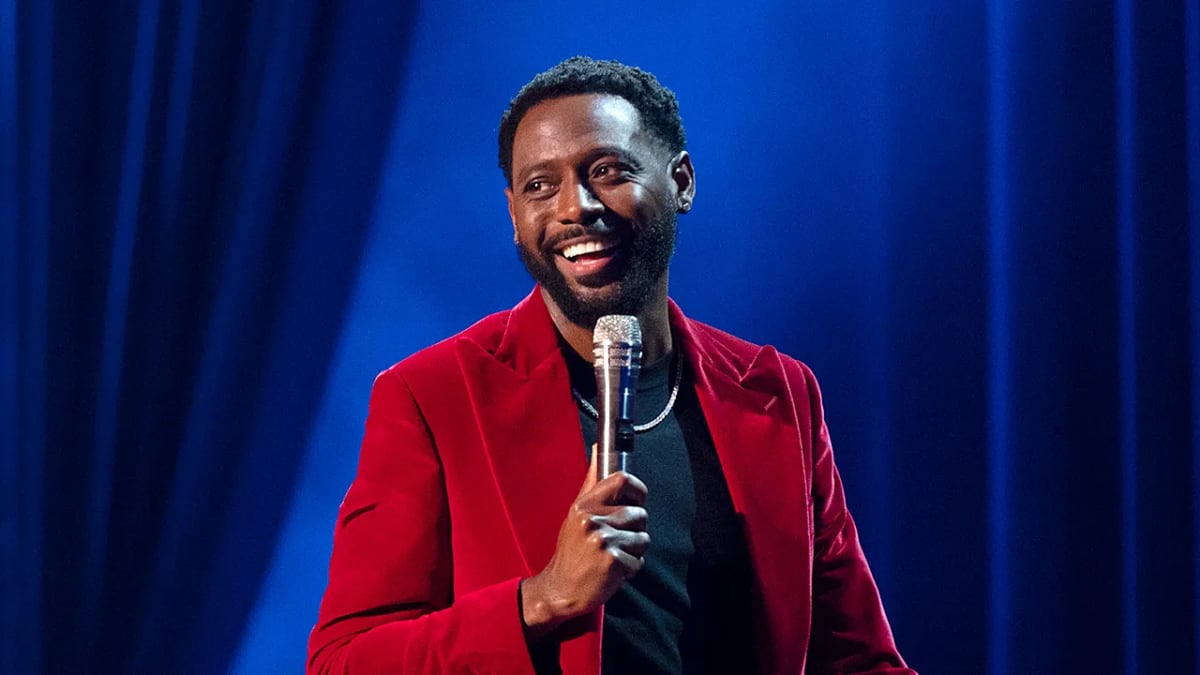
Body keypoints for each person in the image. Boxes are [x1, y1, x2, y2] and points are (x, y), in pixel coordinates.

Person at [308, 56, 914, 675]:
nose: (577, 207)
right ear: (514, 216)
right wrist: (541, 600)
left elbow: (857, 659)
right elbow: (343, 662)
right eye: (541, 186)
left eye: (607, 171)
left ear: (681, 181)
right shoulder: (434, 395)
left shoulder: (776, 392)